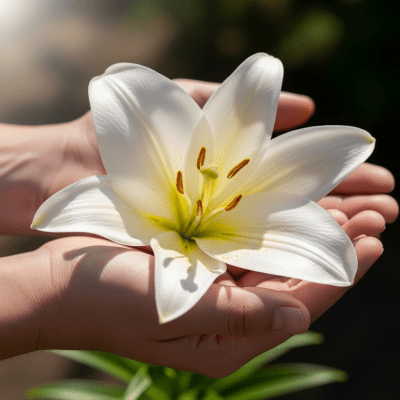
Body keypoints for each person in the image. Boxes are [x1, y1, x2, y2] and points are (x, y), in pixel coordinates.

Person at [0, 79, 397, 377]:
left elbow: (320, 250)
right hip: (170, 228)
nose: (207, 178)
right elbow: (119, 92)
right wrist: (50, 292)